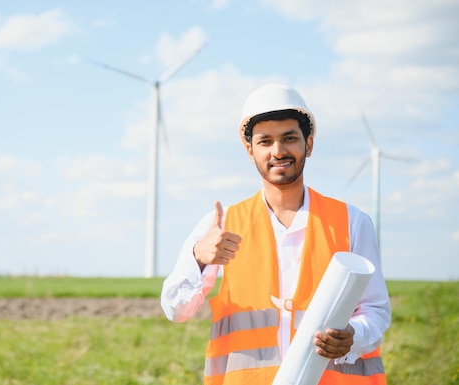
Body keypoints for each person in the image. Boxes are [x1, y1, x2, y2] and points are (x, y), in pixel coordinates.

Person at [160, 83, 391, 385]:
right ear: (250, 150)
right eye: (265, 141)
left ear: (308, 144)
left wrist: (354, 335)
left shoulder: (351, 221)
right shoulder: (222, 224)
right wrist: (198, 257)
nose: (278, 151)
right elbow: (175, 309)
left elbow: (375, 310)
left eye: (289, 139)